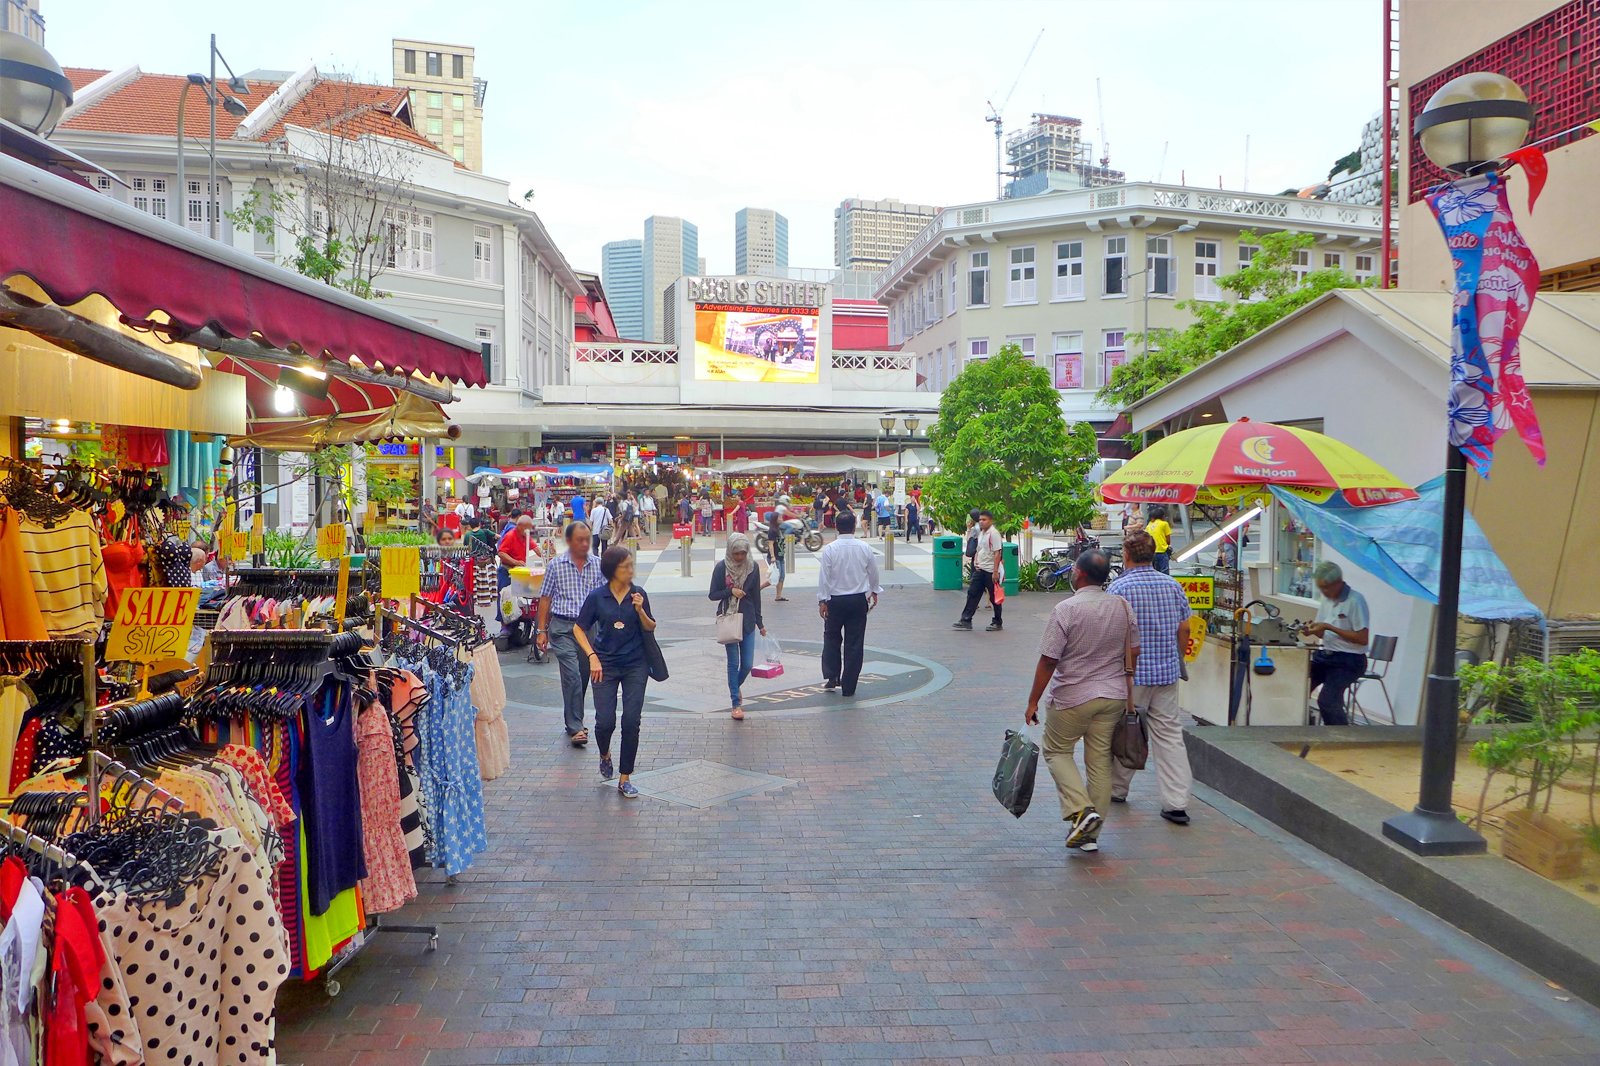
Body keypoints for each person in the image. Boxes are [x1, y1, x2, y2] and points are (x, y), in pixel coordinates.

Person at [1025, 549, 1139, 853]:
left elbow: (1049, 660)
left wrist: (1033, 701)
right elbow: (1135, 651)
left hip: (1073, 695)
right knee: (1099, 761)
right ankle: (1089, 834)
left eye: (1074, 570)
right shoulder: (1122, 606)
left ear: (1082, 574)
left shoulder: (1066, 609)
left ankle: (1081, 809)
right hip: (1113, 696)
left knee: (1057, 751)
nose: (1073, 574)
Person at [1107, 531, 1194, 825]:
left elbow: (1112, 635)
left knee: (1126, 731)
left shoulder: (1119, 589)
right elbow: (1185, 628)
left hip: (1133, 676)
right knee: (1169, 736)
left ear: (1126, 555)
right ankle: (1176, 802)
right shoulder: (1172, 585)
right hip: (1167, 673)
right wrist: (1176, 656)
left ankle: (1117, 788)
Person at [572, 546, 657, 797]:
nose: (630, 570)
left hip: (635, 664)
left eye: (632, 565)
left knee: (631, 720)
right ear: (611, 571)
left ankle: (625, 777)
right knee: (605, 722)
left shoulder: (639, 594)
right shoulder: (597, 597)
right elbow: (579, 628)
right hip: (605, 664)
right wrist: (592, 657)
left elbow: (651, 626)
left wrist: (640, 610)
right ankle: (605, 753)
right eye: (625, 566)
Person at [537, 521, 607, 747]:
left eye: (588, 539)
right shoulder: (556, 566)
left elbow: (605, 598)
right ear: (569, 541)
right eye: (580, 539)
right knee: (572, 675)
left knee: (584, 676)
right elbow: (545, 598)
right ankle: (576, 726)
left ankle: (572, 720)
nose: (585, 543)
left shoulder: (598, 565)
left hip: (588, 630)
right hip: (563, 628)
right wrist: (541, 630)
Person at [815, 511, 881, 697]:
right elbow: (873, 572)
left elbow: (824, 578)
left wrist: (822, 599)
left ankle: (831, 675)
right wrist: (874, 590)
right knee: (854, 642)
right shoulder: (864, 547)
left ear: (836, 526)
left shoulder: (830, 549)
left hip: (835, 600)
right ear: (855, 526)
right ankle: (849, 686)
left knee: (831, 637)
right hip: (858, 599)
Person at [1304, 560, 1370, 727]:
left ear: (1338, 583)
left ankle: (1341, 738)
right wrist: (1313, 629)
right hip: (1326, 655)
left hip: (1350, 660)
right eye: (1320, 588)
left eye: (1326, 588)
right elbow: (1321, 631)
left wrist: (1329, 627)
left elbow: (1362, 638)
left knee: (1327, 701)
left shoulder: (1356, 601)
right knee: (1299, 687)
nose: (1323, 592)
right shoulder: (1326, 600)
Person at [710, 532, 767, 721]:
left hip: (748, 618)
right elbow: (712, 594)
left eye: (743, 553)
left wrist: (760, 623)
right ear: (730, 551)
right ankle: (736, 703)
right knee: (733, 663)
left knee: (747, 664)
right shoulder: (721, 568)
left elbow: (756, 598)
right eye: (736, 553)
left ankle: (735, 686)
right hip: (729, 618)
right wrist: (730, 591)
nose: (740, 557)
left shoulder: (752, 567)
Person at [954, 511, 1005, 632]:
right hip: (980, 569)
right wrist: (976, 561)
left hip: (990, 571)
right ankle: (966, 620)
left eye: (984, 520)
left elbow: (998, 553)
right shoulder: (981, 533)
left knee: (994, 598)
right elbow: (979, 549)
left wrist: (995, 571)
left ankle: (997, 622)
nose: (981, 522)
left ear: (990, 521)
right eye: (980, 519)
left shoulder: (994, 534)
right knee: (973, 593)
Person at [496, 514, 542, 645]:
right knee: (505, 599)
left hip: (519, 573)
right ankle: (504, 626)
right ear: (519, 526)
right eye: (527, 528)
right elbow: (501, 553)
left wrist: (546, 555)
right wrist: (516, 562)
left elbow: (536, 548)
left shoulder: (525, 536)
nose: (529, 531)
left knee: (523, 599)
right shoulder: (510, 536)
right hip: (507, 571)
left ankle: (521, 621)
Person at [1145, 506, 1173, 573]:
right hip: (1162, 551)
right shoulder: (1164, 524)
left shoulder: (1149, 525)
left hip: (1151, 552)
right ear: (1163, 516)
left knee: (1153, 572)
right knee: (1164, 572)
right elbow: (1168, 541)